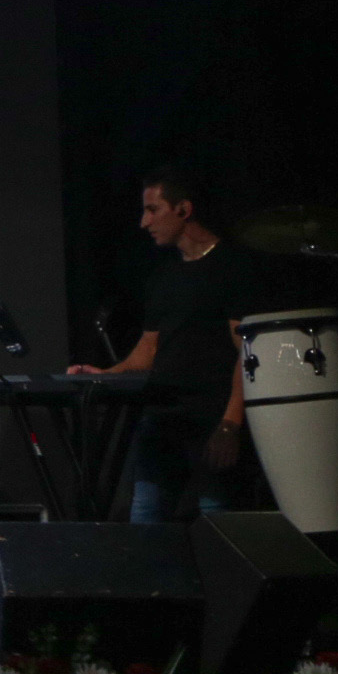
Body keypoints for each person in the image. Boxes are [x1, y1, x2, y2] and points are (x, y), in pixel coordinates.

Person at [90, 169, 260, 524]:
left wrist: (230, 424)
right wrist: (103, 375)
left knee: (218, 520)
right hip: (162, 421)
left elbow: (247, 352)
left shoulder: (232, 267)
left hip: (210, 419)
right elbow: (147, 352)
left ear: (183, 209)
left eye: (153, 210)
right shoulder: (164, 276)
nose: (144, 222)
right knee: (146, 519)